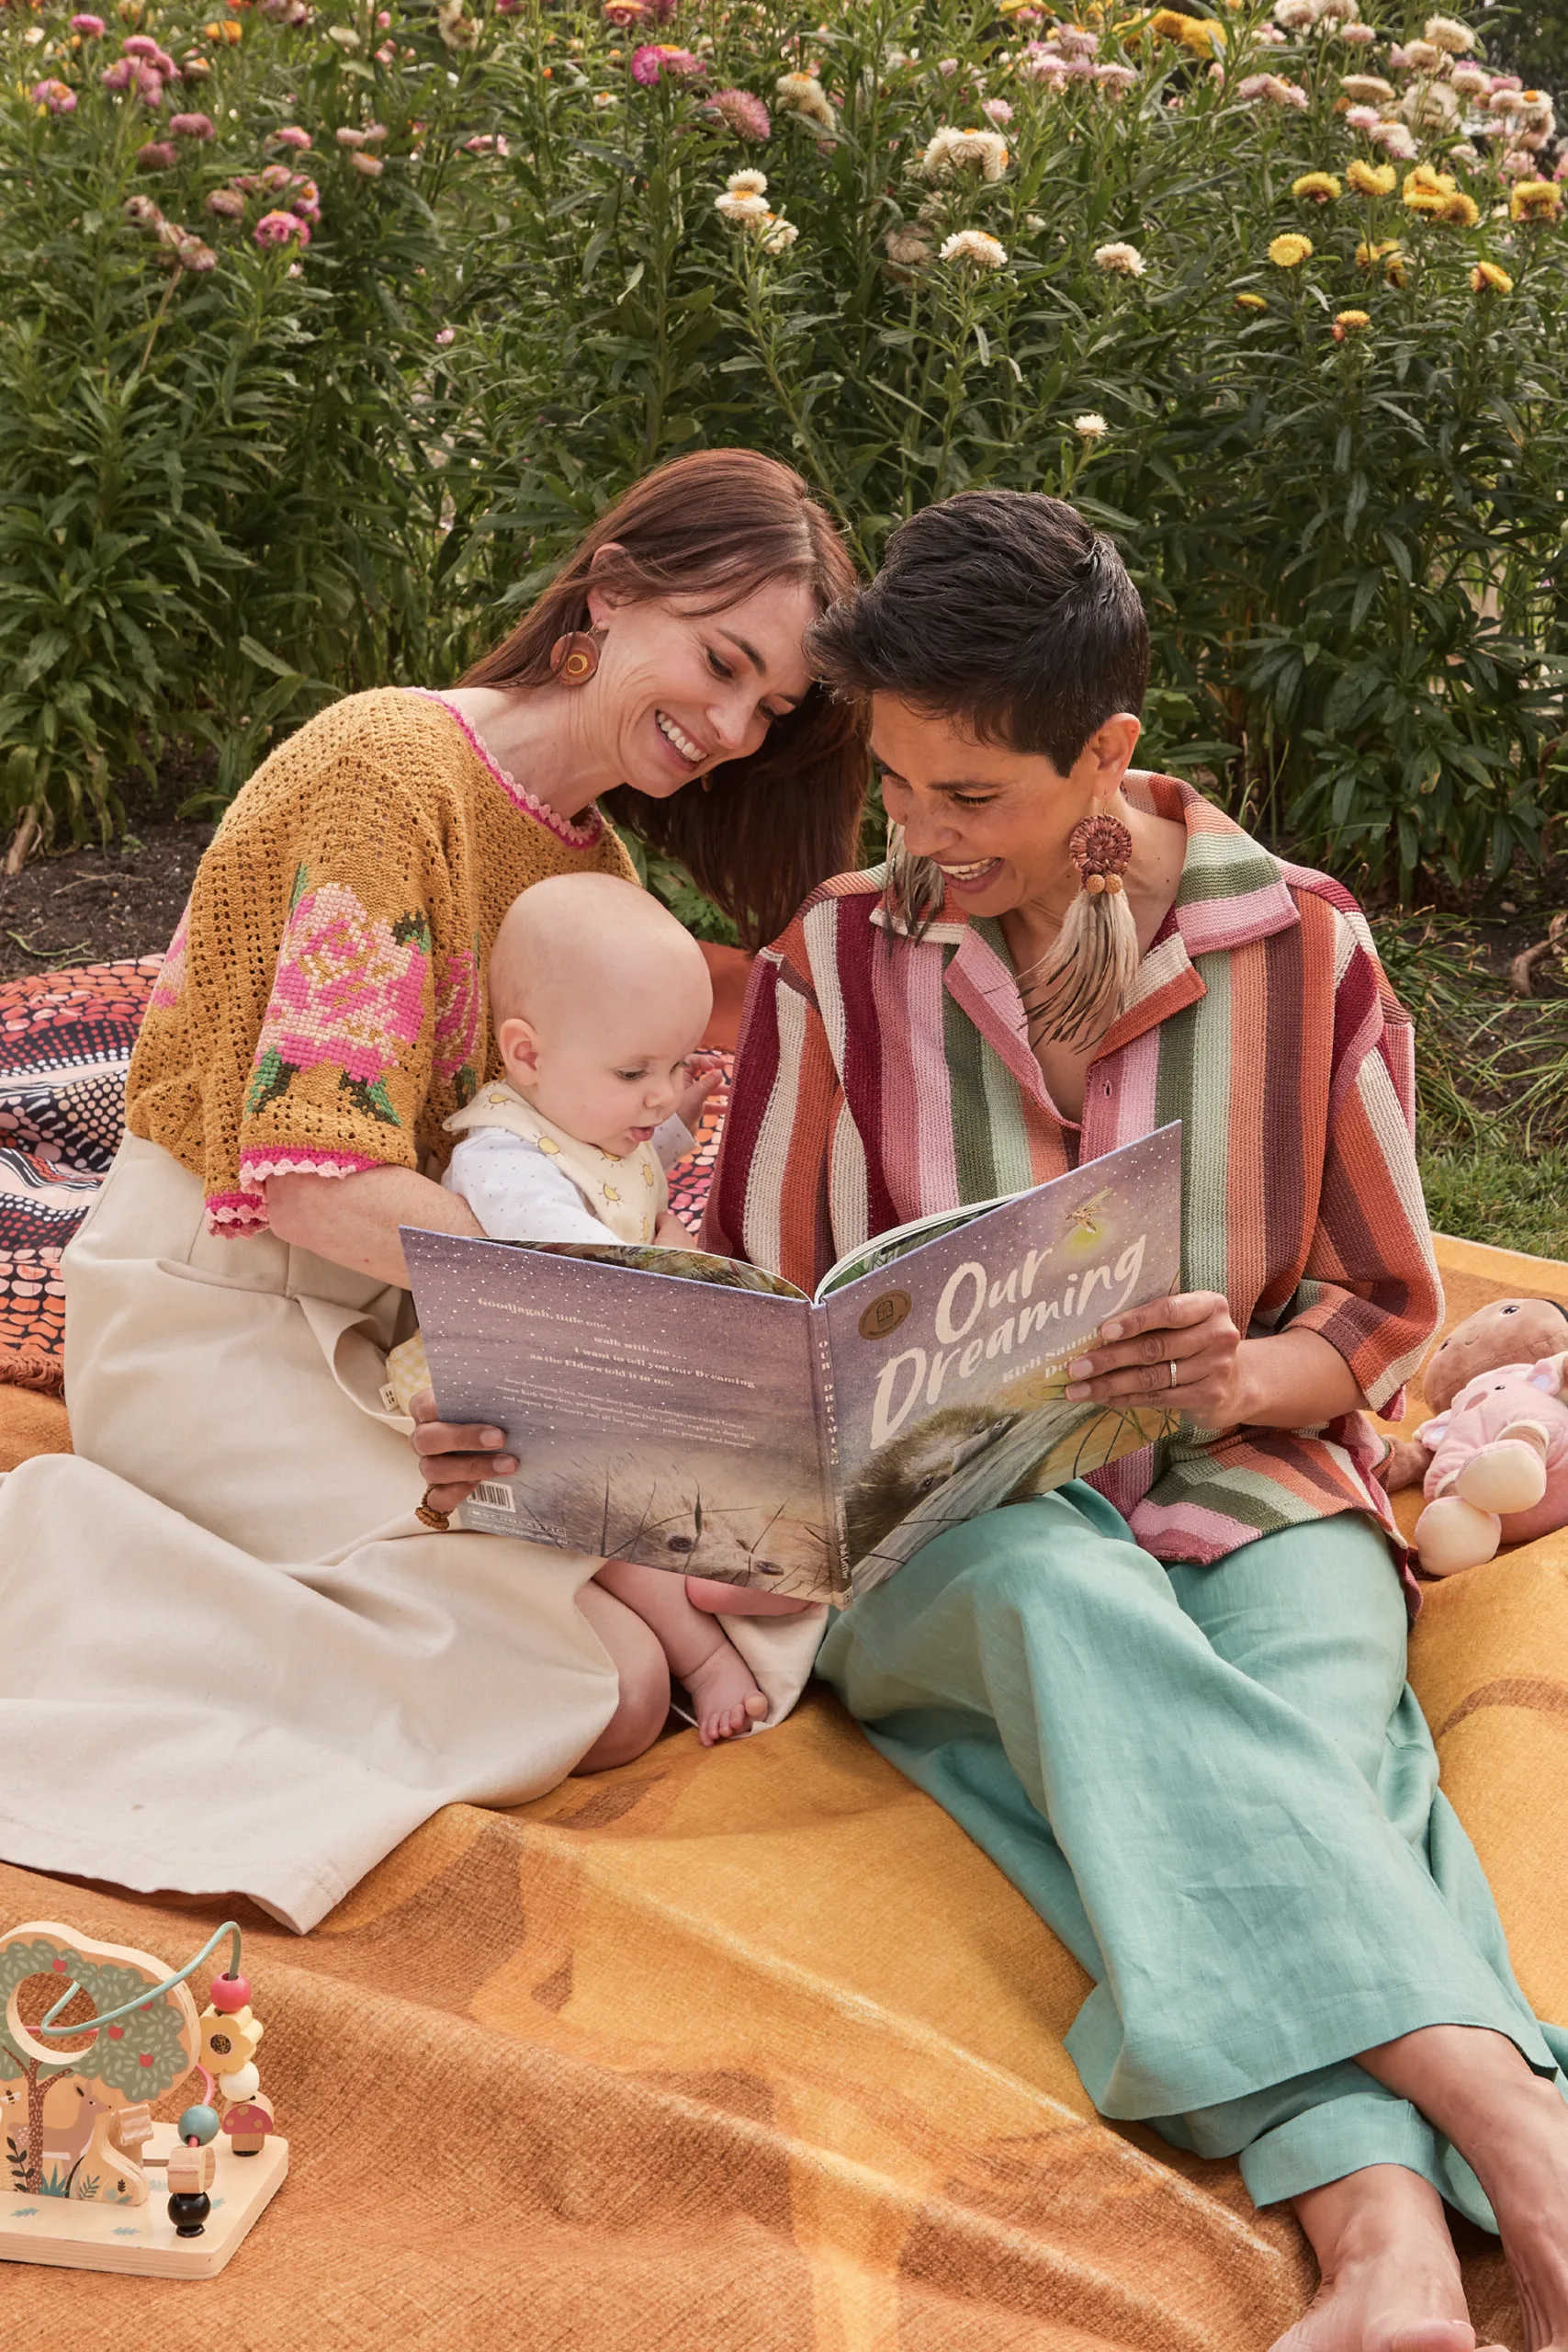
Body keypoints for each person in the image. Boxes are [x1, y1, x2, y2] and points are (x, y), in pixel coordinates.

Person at [682, 490, 1568, 2352]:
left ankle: (1387, 2254)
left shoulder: (1301, 950)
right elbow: (757, 1305)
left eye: (970, 797)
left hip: (1248, 1470)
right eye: (896, 786)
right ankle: (1514, 2120)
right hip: (945, 1526)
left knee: (1297, 1726)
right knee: (1062, 1608)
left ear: (1105, 753)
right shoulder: (831, 962)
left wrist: (1239, 1376)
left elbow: (1380, 1308)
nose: (919, 838)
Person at [0, 448, 858, 1935]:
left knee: (665, 1649)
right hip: (218, 1316)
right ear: (612, 588)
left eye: (769, 707)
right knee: (606, 1683)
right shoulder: (388, 769)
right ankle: (84, 1568)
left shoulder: (601, 880)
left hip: (414, 1335)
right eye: (721, 663)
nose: (730, 729)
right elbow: (313, 1184)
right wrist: (593, 1319)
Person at [400, 870, 812, 1745]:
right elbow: (567, 1250)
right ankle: (702, 1652)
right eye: (635, 1071)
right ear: (527, 1055)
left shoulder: (588, 1114)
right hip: (525, 1396)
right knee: (608, 1522)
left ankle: (730, 1568)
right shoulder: (497, 1157)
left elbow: (612, 1170)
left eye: (673, 1066)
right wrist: (681, 1283)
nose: (661, 1091)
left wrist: (665, 1128)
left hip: (615, 1364)